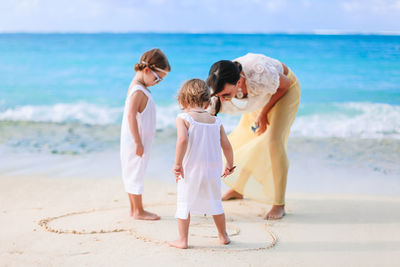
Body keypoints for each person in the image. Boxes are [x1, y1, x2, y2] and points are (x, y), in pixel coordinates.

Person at [206, 53, 301, 220]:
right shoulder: (222, 79)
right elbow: (211, 110)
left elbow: (284, 86)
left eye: (227, 95)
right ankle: (239, 189)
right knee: (246, 135)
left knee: (273, 141)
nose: (224, 99)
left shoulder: (260, 72)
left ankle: (279, 204)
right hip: (262, 94)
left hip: (285, 90)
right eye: (220, 95)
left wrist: (263, 113)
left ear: (239, 82)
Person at [169, 79, 234, 249]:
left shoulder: (183, 118)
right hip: (213, 170)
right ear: (207, 101)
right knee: (215, 202)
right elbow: (226, 145)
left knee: (184, 202)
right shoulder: (215, 121)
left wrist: (177, 164)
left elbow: (182, 140)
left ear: (182, 100)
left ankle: (183, 240)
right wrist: (230, 164)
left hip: (191, 169)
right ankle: (223, 235)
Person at [120, 48, 170, 220]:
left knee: (133, 172)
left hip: (137, 139)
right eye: (157, 78)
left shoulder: (138, 87)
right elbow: (131, 114)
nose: (157, 82)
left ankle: (135, 209)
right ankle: (138, 211)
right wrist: (137, 141)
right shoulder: (138, 91)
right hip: (136, 140)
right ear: (147, 70)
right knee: (135, 173)